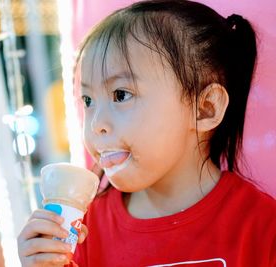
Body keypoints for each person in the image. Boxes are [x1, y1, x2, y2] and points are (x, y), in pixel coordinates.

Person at [17, 0, 276, 266]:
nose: (95, 124)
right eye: (87, 101)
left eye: (120, 95)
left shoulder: (263, 227)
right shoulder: (82, 231)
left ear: (205, 108)